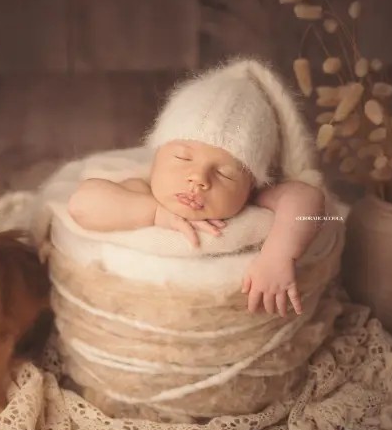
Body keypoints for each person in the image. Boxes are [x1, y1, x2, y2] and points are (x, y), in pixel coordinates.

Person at [67, 57, 330, 318]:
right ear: (156, 157)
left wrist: (277, 257)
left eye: (225, 173)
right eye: (183, 158)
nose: (199, 178)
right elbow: (81, 205)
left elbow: (309, 201)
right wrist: (156, 214)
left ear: (251, 185)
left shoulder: (254, 199)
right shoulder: (141, 189)